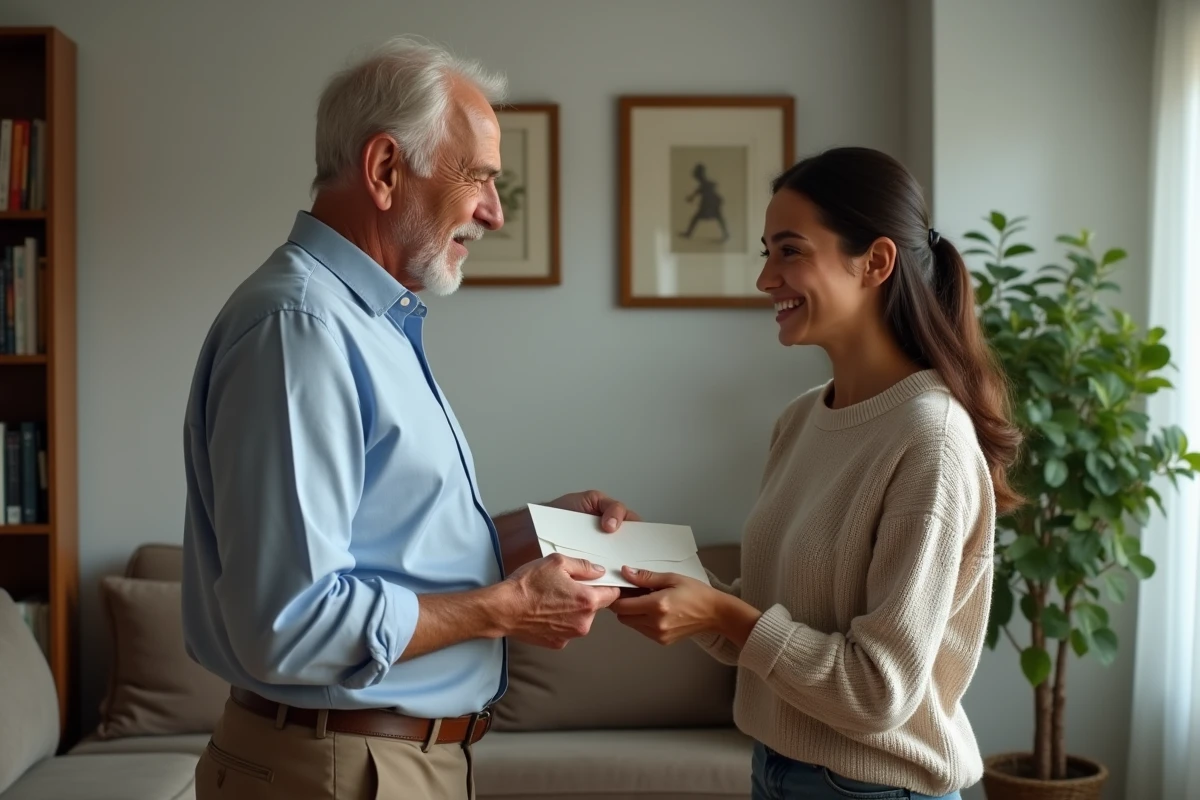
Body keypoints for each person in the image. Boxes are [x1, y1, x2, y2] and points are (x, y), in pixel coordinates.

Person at [180, 36, 634, 800]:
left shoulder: (363, 324)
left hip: (375, 764)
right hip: (337, 770)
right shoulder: (301, 330)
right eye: (478, 177)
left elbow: (381, 548)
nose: (493, 212)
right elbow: (290, 622)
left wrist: (537, 534)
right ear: (386, 169)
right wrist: (508, 608)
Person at [612, 147, 1022, 800]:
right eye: (766, 253)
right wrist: (646, 561)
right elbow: (773, 624)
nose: (764, 278)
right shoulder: (801, 419)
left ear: (876, 262)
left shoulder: (930, 439)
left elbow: (877, 692)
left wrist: (720, 612)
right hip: (775, 769)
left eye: (789, 251)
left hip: (877, 789)